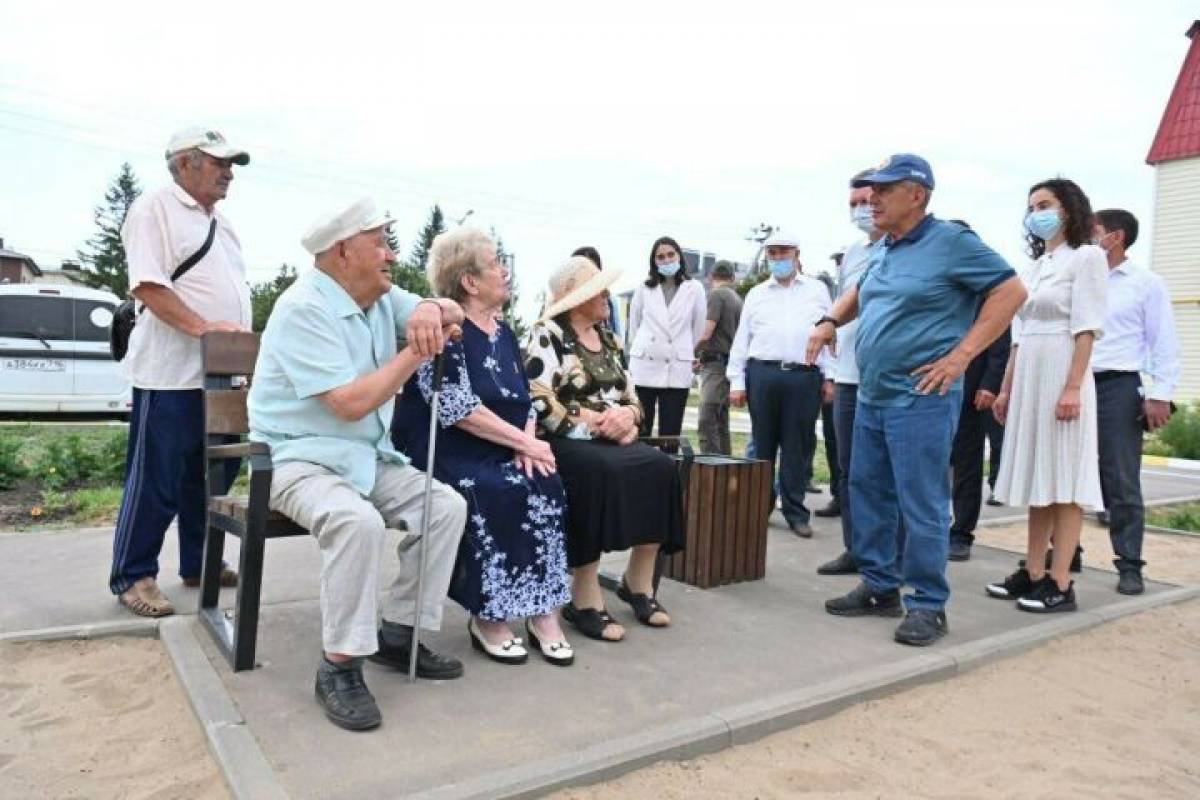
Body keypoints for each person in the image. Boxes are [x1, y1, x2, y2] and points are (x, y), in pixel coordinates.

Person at [248, 198, 468, 731]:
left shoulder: (378, 295)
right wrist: (415, 352)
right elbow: (347, 404)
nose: (391, 254)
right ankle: (340, 665)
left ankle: (398, 632)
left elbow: (454, 313)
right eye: (381, 243)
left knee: (445, 506)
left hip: (364, 457)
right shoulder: (305, 307)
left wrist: (429, 311)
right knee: (357, 522)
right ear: (344, 250)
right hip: (298, 458)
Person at [809, 153, 1025, 646]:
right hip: (874, 395)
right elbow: (863, 292)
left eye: (885, 190)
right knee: (866, 491)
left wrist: (963, 356)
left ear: (918, 195)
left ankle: (929, 604)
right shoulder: (888, 246)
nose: (874, 200)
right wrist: (828, 321)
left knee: (921, 503)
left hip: (922, 398)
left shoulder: (952, 242)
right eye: (871, 191)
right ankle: (882, 587)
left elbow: (1012, 293)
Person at [393, 228, 573, 666]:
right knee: (493, 488)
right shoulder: (448, 331)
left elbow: (522, 398)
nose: (505, 271)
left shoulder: (504, 332)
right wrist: (523, 442)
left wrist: (527, 443)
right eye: (496, 263)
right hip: (451, 446)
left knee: (544, 482)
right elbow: (456, 406)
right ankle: (489, 615)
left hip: (502, 443)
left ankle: (543, 611)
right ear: (470, 281)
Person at [109, 126, 252, 617]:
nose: (228, 173)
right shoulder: (156, 208)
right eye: (219, 163)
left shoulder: (223, 225)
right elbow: (147, 286)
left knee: (213, 476)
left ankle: (201, 563)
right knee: (156, 479)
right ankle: (134, 576)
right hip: (170, 375)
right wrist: (207, 330)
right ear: (186, 163)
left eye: (231, 164)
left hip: (219, 376)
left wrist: (234, 354)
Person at [525, 256, 685, 642]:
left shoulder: (610, 338)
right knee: (596, 471)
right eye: (597, 290)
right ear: (577, 298)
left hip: (613, 439)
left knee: (661, 468)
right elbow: (538, 396)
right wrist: (592, 425)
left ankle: (638, 583)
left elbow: (633, 398)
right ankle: (583, 598)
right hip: (566, 441)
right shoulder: (547, 333)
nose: (606, 296)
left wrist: (628, 418)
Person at [986, 179, 1107, 613]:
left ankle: (1061, 581)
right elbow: (1018, 335)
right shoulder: (1035, 266)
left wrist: (1073, 387)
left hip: (1062, 368)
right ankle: (1033, 573)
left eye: (1047, 204)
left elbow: (1087, 328)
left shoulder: (1088, 258)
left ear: (1069, 208)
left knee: (1066, 481)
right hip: (1031, 372)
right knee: (1041, 477)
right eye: (1033, 205)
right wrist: (1005, 388)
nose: (1038, 212)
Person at [1090, 209, 1179, 594]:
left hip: (1118, 386)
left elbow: (1164, 342)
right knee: (1066, 474)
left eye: (1094, 232)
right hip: (1074, 383)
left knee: (1121, 478)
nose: (1088, 238)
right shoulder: (1082, 276)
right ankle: (1063, 554)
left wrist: (1161, 395)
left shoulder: (1146, 283)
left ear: (1116, 236)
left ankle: (1129, 564)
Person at [728, 232, 834, 538]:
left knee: (797, 447)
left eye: (783, 252)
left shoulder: (816, 290)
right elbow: (742, 338)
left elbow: (828, 338)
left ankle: (795, 511)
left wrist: (829, 377)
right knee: (762, 445)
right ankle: (758, 507)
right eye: (772, 253)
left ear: (796, 254)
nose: (777, 258)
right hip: (763, 374)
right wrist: (737, 380)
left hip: (804, 375)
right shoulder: (757, 293)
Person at [817, 172, 884, 575]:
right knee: (850, 470)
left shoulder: (906, 249)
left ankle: (888, 557)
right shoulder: (855, 252)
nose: (861, 210)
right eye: (853, 204)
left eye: (866, 201)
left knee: (884, 475)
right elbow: (842, 311)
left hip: (886, 377)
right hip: (848, 375)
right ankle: (855, 549)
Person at [947, 218, 1012, 563]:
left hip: (972, 393)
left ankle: (961, 533)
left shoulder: (988, 291)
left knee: (966, 465)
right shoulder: (938, 285)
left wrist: (990, 384)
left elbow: (1001, 344)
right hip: (933, 388)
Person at [627, 236, 707, 437]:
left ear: (679, 256)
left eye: (671, 255)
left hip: (676, 365)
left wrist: (685, 349)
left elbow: (698, 327)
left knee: (670, 434)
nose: (667, 260)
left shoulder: (694, 288)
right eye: (660, 257)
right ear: (654, 262)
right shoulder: (644, 288)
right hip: (645, 364)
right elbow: (634, 327)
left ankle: (668, 467)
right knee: (641, 429)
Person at [694, 260, 743, 454]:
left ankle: (709, 471)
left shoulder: (716, 295)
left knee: (707, 422)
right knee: (721, 424)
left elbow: (707, 333)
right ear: (732, 278)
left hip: (714, 367)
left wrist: (692, 353)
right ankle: (725, 473)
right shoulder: (737, 299)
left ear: (710, 277)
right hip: (728, 365)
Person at [812, 269, 842, 514]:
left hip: (851, 378)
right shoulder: (832, 314)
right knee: (834, 440)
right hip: (838, 379)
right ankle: (839, 495)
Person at [572, 245, 621, 338]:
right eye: (586, 269)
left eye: (594, 269)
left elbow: (616, 335)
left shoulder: (609, 302)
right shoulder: (562, 306)